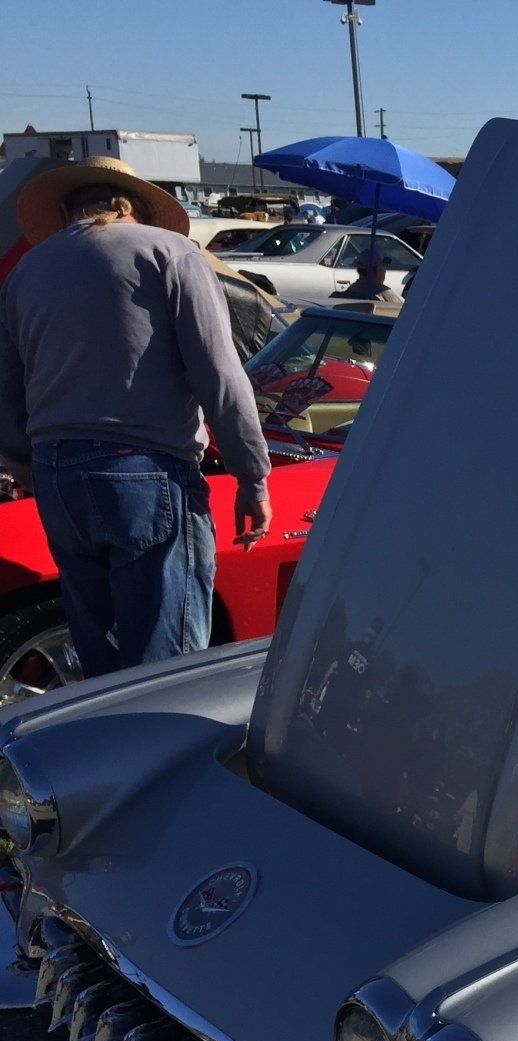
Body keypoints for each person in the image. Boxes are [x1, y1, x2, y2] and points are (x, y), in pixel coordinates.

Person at [0, 158, 271, 679]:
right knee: (164, 662)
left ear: (65, 209)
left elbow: (7, 392)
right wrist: (251, 476)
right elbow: (218, 374)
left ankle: (105, 751)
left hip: (57, 472)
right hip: (144, 466)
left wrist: (28, 467)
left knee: (96, 652)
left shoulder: (26, 271)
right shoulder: (169, 253)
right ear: (138, 208)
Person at [336, 248, 402, 303]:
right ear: (379, 270)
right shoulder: (387, 296)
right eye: (384, 266)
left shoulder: (349, 292)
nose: (385, 270)